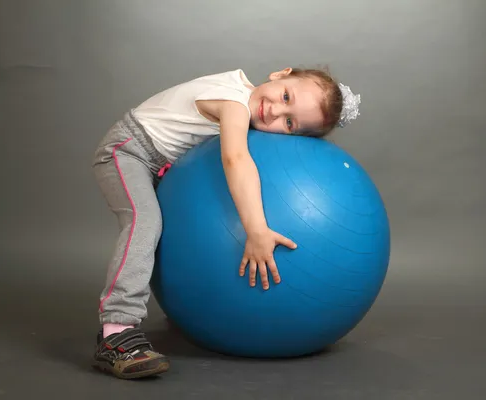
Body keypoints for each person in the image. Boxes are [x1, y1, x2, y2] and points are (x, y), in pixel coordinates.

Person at [91, 67, 361, 379]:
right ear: (280, 74)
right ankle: (116, 330)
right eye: (286, 96)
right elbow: (235, 159)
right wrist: (257, 229)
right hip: (128, 152)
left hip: (163, 163)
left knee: (175, 231)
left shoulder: (248, 104)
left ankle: (185, 308)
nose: (274, 110)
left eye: (289, 122)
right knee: (144, 221)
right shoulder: (234, 101)